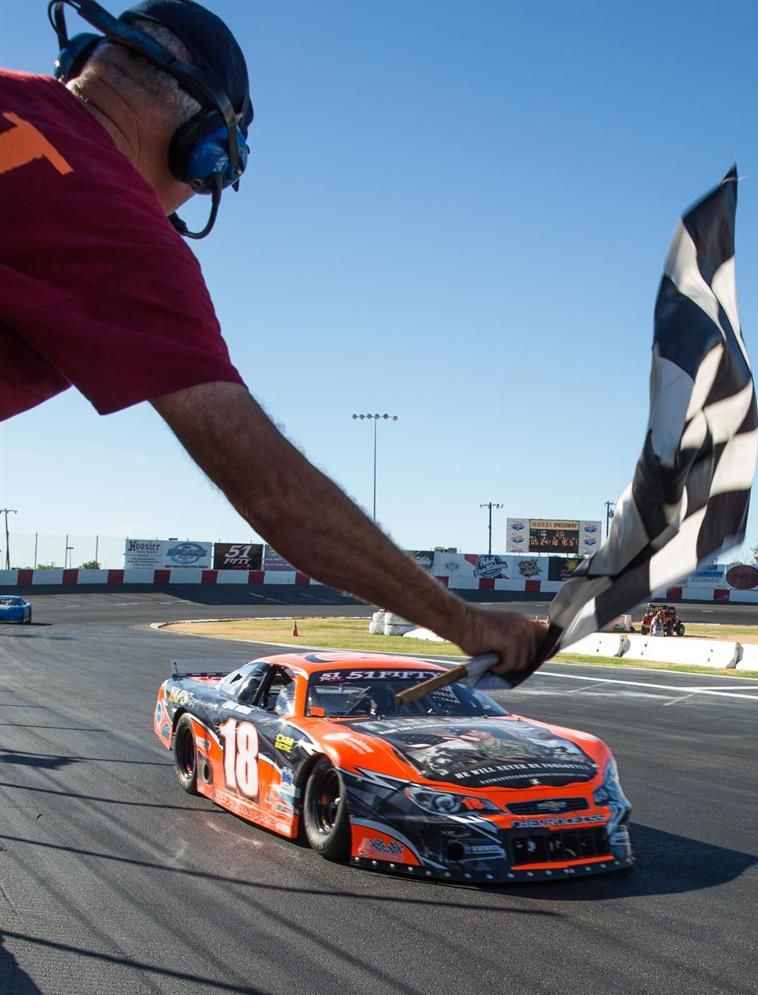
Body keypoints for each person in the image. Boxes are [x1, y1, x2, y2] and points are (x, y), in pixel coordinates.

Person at [0, 0, 544, 675]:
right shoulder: (123, 233)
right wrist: (466, 621)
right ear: (201, 144)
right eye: (214, 174)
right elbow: (275, 492)